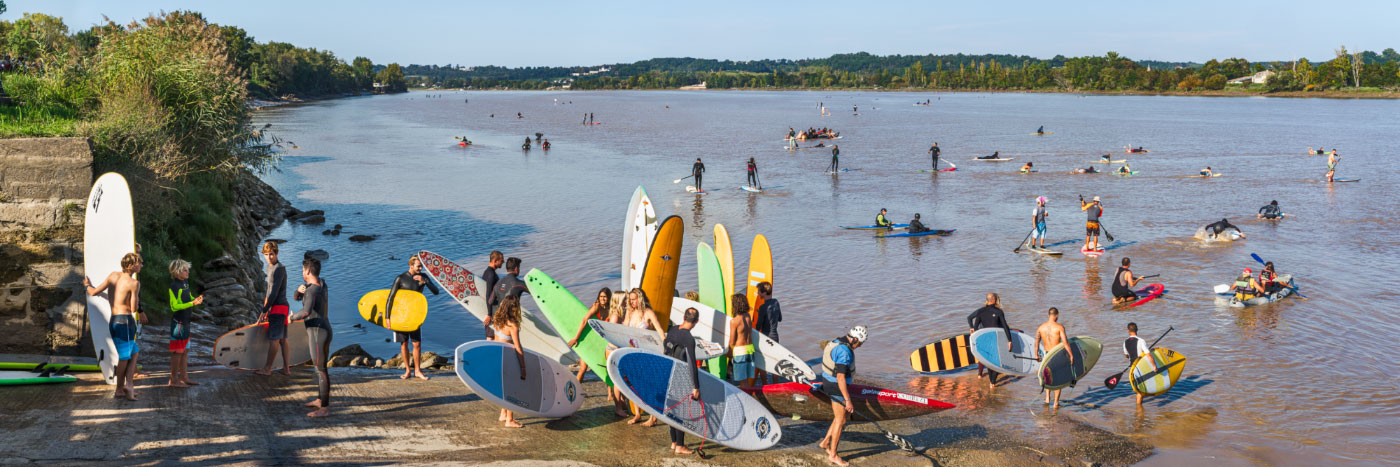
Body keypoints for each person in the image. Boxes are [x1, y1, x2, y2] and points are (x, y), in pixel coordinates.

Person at [84, 252, 144, 400]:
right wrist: (134, 297)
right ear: (132, 265)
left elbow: (94, 292)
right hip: (126, 321)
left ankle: (127, 385)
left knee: (134, 352)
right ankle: (121, 388)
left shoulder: (112, 276)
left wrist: (87, 286)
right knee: (124, 357)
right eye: (140, 263)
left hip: (114, 321)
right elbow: (134, 308)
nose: (142, 265)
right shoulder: (134, 283)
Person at [819, 325, 866, 467]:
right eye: (860, 343)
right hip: (836, 387)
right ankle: (833, 455)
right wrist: (848, 400)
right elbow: (840, 377)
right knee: (841, 421)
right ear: (855, 339)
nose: (859, 346)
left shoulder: (837, 341)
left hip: (826, 381)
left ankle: (825, 442)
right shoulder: (845, 352)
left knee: (839, 416)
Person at [388, 256, 442, 380]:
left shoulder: (423, 277)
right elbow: (390, 298)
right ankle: (407, 371)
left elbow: (436, 292)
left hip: (415, 314)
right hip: (401, 314)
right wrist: (387, 318)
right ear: (411, 265)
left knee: (416, 343)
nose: (420, 268)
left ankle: (417, 371)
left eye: (421, 266)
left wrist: (425, 282)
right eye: (418, 266)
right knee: (404, 343)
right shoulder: (400, 278)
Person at [292, 257, 332, 417]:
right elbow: (298, 298)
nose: (302, 273)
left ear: (307, 271)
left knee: (320, 370)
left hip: (317, 333)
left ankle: (324, 408)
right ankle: (319, 400)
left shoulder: (312, 290)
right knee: (320, 369)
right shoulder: (321, 284)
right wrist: (298, 291)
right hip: (325, 329)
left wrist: (292, 318)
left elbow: (306, 311)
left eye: (303, 270)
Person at [664, 307, 703, 455]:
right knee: (680, 411)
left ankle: (674, 442)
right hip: (680, 377)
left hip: (668, 373)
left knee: (672, 408)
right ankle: (680, 445)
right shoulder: (688, 338)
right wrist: (696, 387)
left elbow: (665, 348)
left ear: (684, 317)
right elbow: (692, 363)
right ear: (696, 321)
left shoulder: (673, 330)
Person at [624, 288, 665, 426]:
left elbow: (659, 329)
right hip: (632, 352)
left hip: (646, 353)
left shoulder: (648, 313)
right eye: (630, 299)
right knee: (634, 384)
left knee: (648, 385)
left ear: (640, 298)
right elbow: (623, 328)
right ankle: (637, 414)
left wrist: (665, 344)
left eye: (634, 299)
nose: (631, 302)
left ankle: (653, 417)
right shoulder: (630, 312)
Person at [491, 295, 528, 428]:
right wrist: (523, 367)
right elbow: (518, 347)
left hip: (497, 356)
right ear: (514, 308)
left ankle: (503, 414)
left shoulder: (498, 320)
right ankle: (510, 420)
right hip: (508, 358)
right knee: (512, 388)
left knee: (503, 387)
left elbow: (496, 339)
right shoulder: (513, 324)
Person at [166, 259, 203, 388]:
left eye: (188, 269)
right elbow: (174, 306)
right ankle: (173, 380)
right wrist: (191, 303)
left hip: (186, 321)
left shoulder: (185, 283)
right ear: (177, 272)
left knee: (185, 350)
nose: (188, 272)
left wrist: (195, 300)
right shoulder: (174, 286)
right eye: (184, 270)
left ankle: (184, 377)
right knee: (178, 351)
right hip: (179, 323)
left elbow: (188, 297)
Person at [257, 241, 291, 376]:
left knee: (274, 340)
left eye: (271, 254)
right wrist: (266, 304)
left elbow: (275, 292)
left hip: (279, 307)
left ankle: (267, 369)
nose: (269, 257)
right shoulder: (269, 267)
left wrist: (264, 310)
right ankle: (286, 369)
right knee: (282, 339)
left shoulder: (279, 268)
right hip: (277, 306)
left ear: (276, 253)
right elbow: (269, 289)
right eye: (266, 254)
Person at [566, 287, 612, 382]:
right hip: (590, 339)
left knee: (606, 368)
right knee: (583, 368)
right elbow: (584, 320)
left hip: (601, 341)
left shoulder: (611, 309)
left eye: (605, 297)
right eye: (601, 296)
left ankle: (611, 395)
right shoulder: (596, 306)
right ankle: (575, 389)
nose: (602, 299)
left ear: (609, 298)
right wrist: (576, 338)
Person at [967, 293, 1012, 386]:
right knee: (997, 361)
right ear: (994, 300)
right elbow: (1005, 326)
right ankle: (992, 383)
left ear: (987, 300)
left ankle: (990, 382)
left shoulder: (980, 311)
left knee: (988, 360)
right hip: (996, 340)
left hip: (984, 340)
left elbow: (975, 327)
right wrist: (1009, 340)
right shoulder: (999, 311)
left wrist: (976, 340)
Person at [1034, 307, 1071, 408]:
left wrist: (1036, 355)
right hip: (1056, 355)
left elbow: (1036, 343)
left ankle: (1047, 398)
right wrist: (1071, 355)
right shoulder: (1059, 327)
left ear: (1048, 315)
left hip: (1046, 355)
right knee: (1058, 379)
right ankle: (1056, 403)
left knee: (1047, 376)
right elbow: (1065, 343)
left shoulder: (1040, 327)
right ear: (1057, 315)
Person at [487, 257, 527, 335]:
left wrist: (500, 304)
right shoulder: (519, 283)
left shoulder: (498, 282)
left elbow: (490, 301)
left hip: (498, 322)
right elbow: (534, 293)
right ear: (516, 269)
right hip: (511, 322)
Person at [753, 282, 781, 384]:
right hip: (775, 335)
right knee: (775, 360)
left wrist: (758, 314)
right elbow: (780, 319)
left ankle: (765, 384)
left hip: (766, 336)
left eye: (759, 291)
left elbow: (758, 326)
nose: (758, 293)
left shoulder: (763, 307)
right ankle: (775, 384)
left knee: (761, 361)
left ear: (764, 292)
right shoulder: (776, 302)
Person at [727, 294, 756, 388]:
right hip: (750, 349)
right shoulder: (748, 316)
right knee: (746, 380)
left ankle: (747, 400)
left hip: (740, 352)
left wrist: (728, 354)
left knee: (742, 383)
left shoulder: (734, 321)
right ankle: (750, 396)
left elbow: (732, 342)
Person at [1123, 322, 1150, 407]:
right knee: (1140, 392)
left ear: (1128, 331)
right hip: (1141, 368)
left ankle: (1139, 409)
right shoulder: (1141, 341)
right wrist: (1154, 366)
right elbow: (1148, 355)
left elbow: (1127, 355)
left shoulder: (1125, 342)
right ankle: (1139, 411)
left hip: (1132, 369)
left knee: (1139, 390)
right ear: (1137, 330)